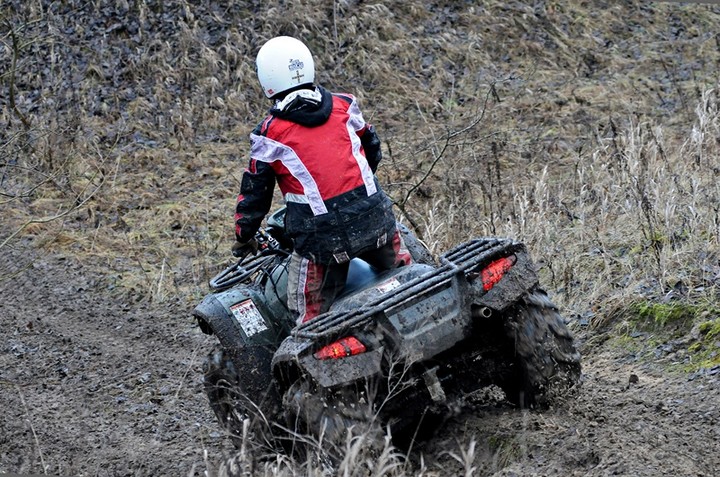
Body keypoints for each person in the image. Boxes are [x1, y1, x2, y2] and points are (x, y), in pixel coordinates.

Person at [233, 36, 412, 325]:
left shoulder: (268, 135)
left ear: (267, 79)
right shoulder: (346, 105)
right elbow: (372, 150)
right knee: (414, 280)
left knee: (308, 317)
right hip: (376, 218)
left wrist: (244, 236)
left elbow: (254, 195)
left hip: (321, 242)